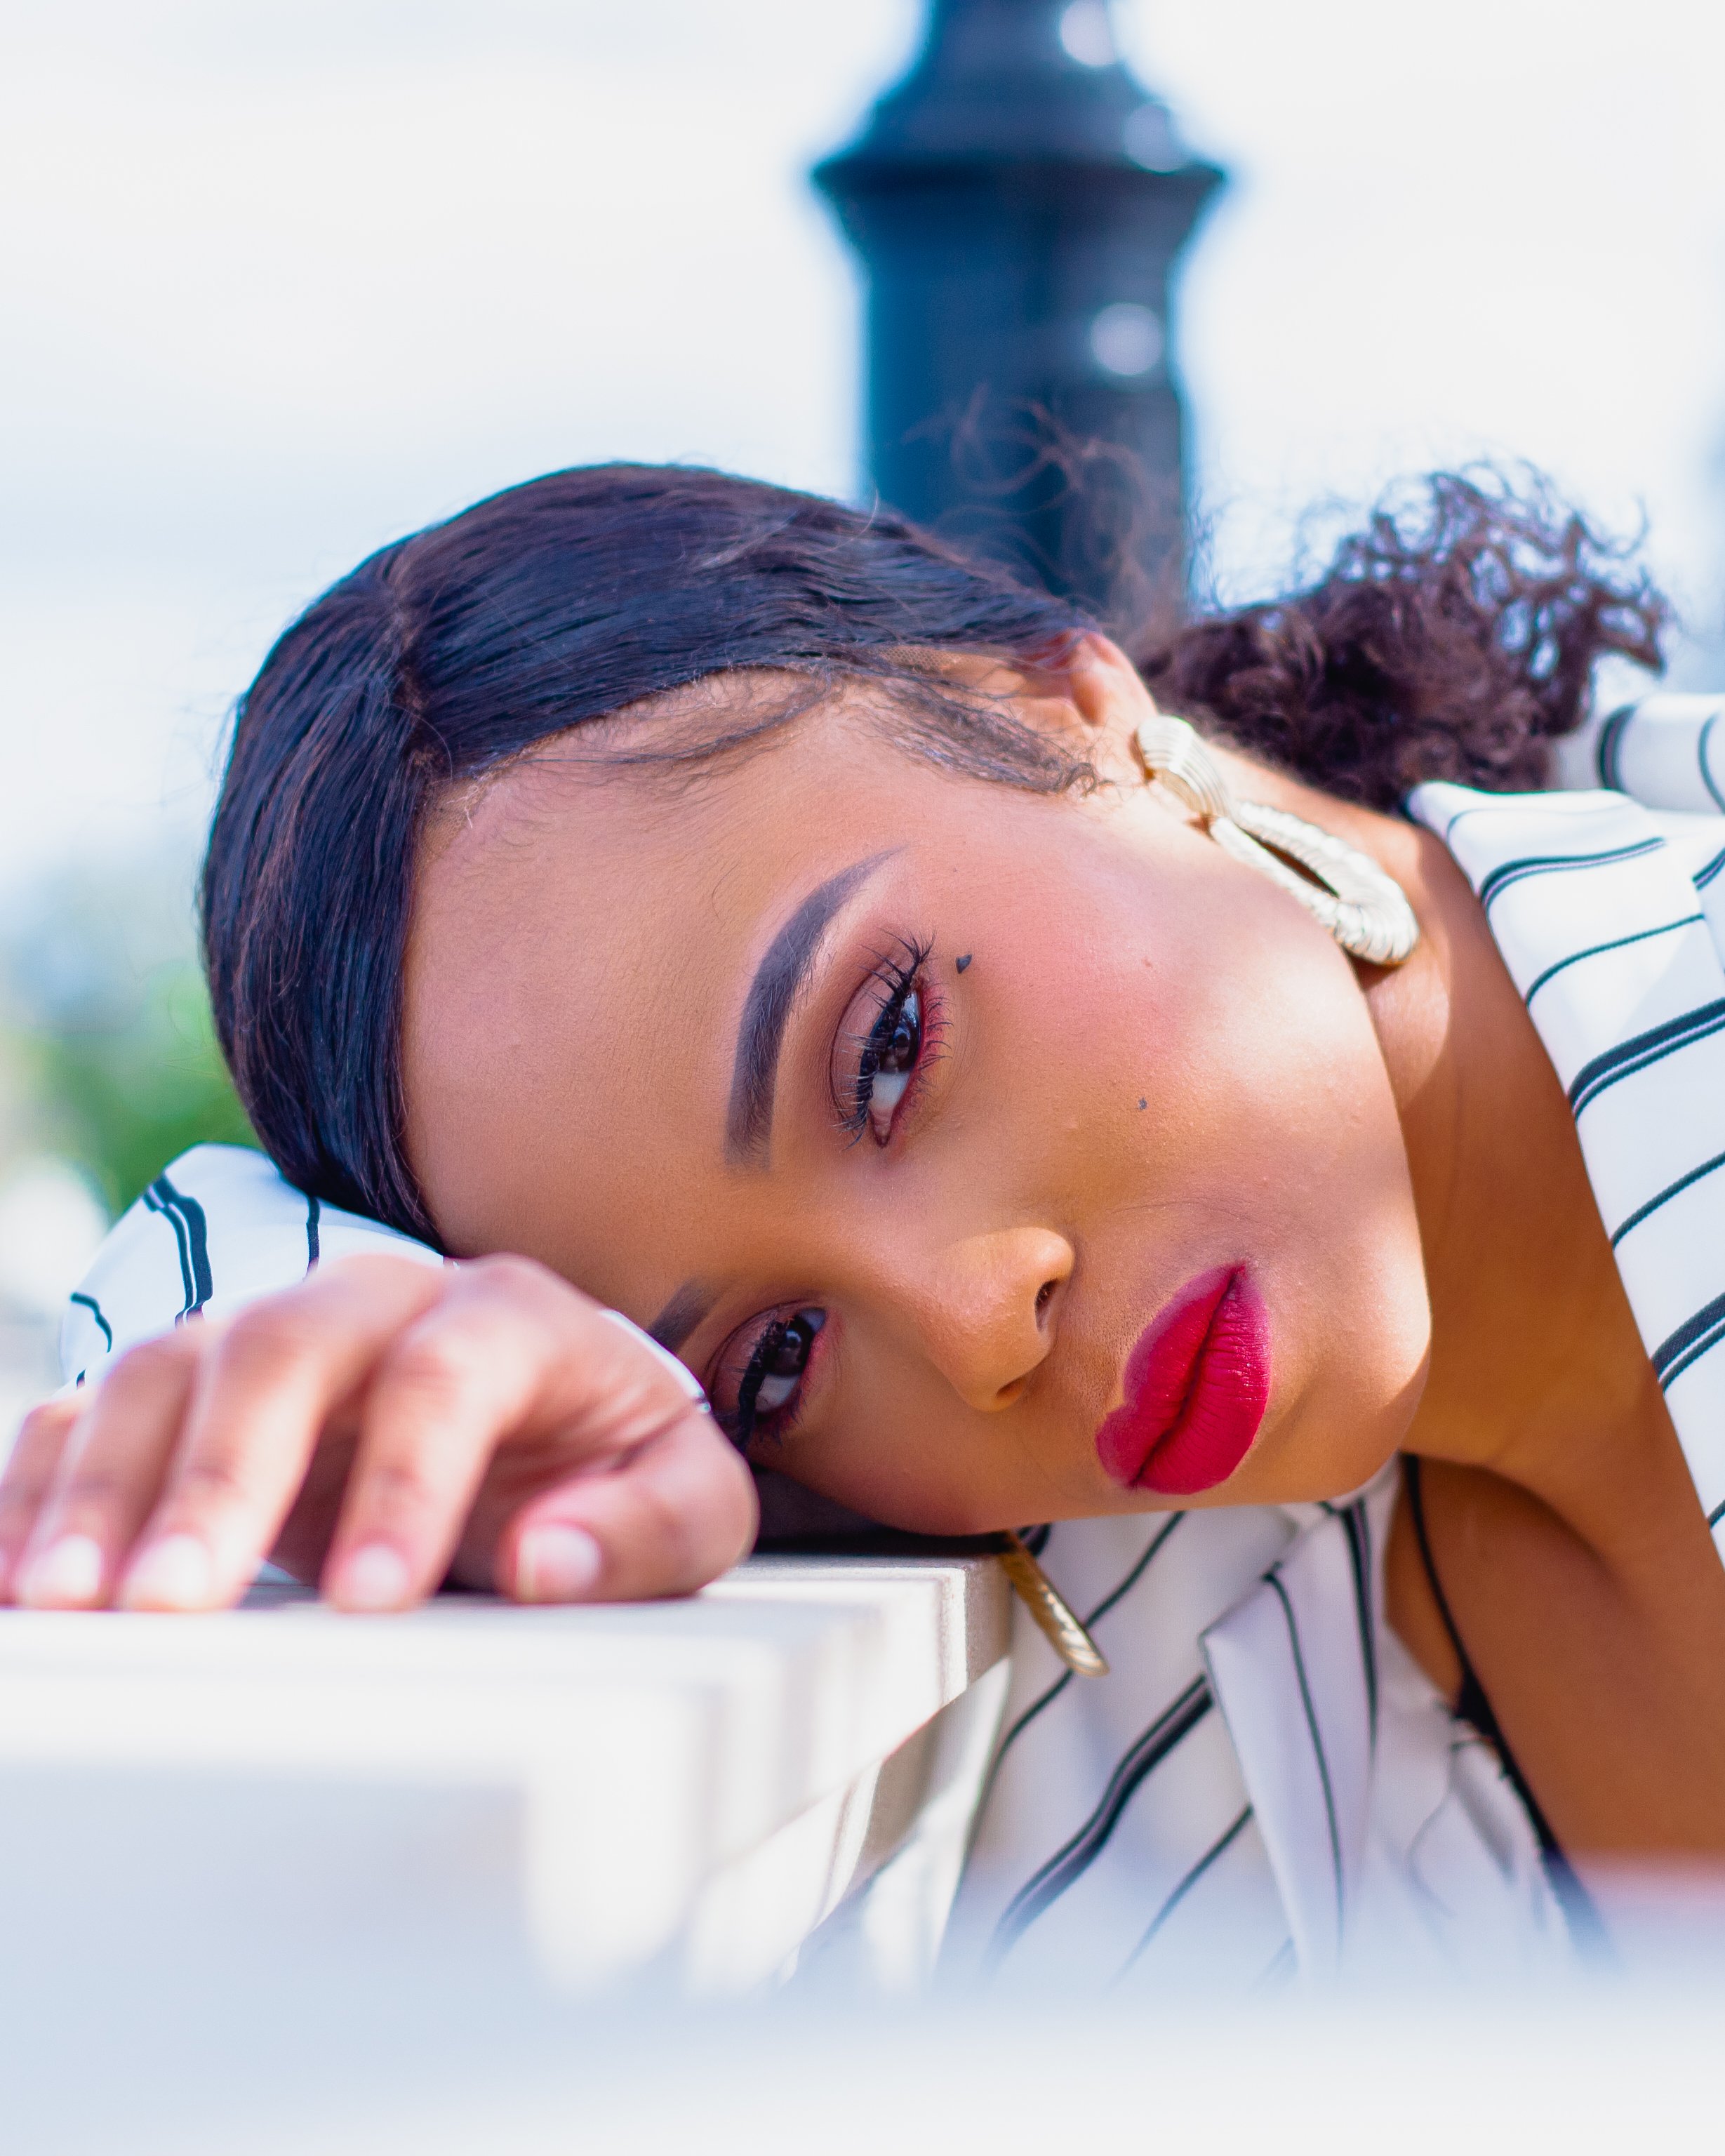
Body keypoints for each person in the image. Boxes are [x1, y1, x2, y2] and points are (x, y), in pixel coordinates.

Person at [5, 463, 1725, 1983]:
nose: (977, 1332)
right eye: (773, 1360)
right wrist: (486, 1381)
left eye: (886, 1048)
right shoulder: (1163, 1595)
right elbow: (193, 1309)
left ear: (1067, 710)